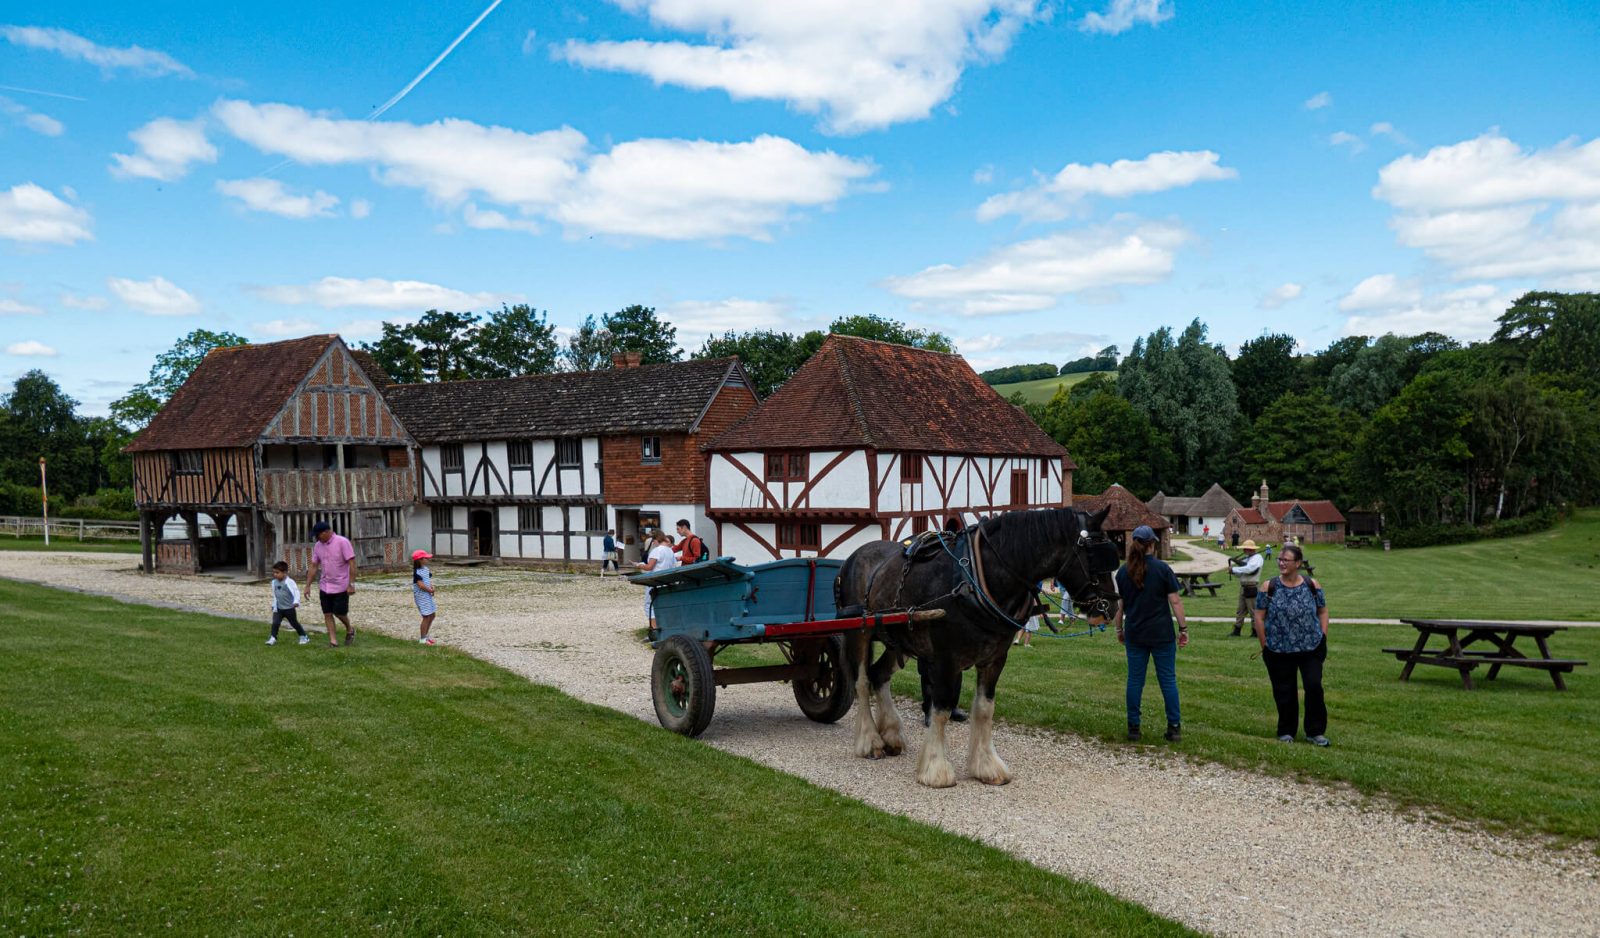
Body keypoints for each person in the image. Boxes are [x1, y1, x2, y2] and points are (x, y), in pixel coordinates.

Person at [1113, 525, 1188, 742]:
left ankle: (1133, 727)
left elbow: (1120, 605)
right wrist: (1183, 629)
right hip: (1161, 633)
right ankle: (1174, 727)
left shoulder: (1122, 572)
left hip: (1135, 632)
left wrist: (1119, 629)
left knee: (1135, 680)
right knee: (1168, 680)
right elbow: (1175, 600)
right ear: (1152, 545)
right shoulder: (1163, 569)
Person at [1253, 544, 1330, 746]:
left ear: (1297, 563)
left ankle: (1315, 731)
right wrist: (1265, 644)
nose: (1281, 563)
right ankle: (1286, 730)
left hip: (1311, 647)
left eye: (1286, 560)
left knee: (1314, 687)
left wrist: (1323, 636)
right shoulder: (1269, 587)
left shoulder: (1311, 584)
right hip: (1279, 649)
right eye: (1280, 559)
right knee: (1284, 690)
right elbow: (1259, 617)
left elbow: (1322, 611)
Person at [306, 520, 356, 647]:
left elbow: (352, 563)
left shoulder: (342, 542)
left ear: (326, 532)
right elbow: (314, 566)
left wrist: (351, 584)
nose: (317, 538)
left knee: (340, 612)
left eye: (318, 535)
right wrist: (308, 585)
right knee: (327, 613)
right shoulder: (318, 546)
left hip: (341, 584)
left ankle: (349, 629)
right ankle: (333, 641)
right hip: (325, 585)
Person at [636, 529, 678, 635]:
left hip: (655, 581)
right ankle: (665, 627)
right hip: (666, 580)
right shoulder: (670, 551)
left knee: (649, 605)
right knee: (663, 604)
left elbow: (649, 567)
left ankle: (654, 629)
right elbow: (674, 566)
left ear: (655, 540)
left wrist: (639, 565)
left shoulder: (657, 550)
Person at [266, 560, 309, 646]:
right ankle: (273, 637)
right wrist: (274, 604)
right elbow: (275, 594)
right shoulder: (274, 582)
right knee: (275, 623)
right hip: (278, 608)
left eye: (277, 573)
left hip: (289, 608)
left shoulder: (290, 582)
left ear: (285, 572)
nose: (275, 574)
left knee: (294, 623)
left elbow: (296, 592)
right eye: (274, 572)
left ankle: (304, 636)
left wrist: (296, 601)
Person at [1229, 539, 1263, 637]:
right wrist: (1233, 571)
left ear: (1249, 549)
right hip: (1243, 587)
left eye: (1245, 548)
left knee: (1253, 611)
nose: (1243, 550)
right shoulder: (1248, 558)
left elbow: (1250, 569)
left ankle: (1255, 632)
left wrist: (1234, 568)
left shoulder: (1257, 558)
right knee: (1240, 610)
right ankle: (1237, 631)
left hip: (1252, 586)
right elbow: (1242, 574)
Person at [412, 549, 437, 645]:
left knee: (432, 615)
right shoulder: (417, 572)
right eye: (425, 558)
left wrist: (432, 586)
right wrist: (429, 590)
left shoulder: (426, 569)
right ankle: (422, 639)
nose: (427, 559)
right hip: (421, 597)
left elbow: (428, 580)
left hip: (427, 595)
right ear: (420, 560)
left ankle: (426, 636)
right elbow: (421, 585)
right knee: (426, 616)